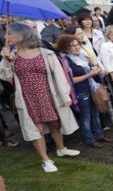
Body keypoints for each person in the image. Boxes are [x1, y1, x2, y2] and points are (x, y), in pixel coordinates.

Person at [0, 23, 80, 172]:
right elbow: (5, 76)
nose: (6, 37)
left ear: (21, 35)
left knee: (55, 123)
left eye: (9, 33)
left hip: (49, 94)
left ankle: (61, 149)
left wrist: (65, 95)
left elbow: (59, 75)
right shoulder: (12, 55)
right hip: (27, 97)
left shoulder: (44, 53)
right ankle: (46, 160)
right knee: (37, 128)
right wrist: (5, 60)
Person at [57, 35, 110, 148]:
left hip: (92, 89)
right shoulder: (65, 61)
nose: (76, 47)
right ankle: (89, 139)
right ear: (66, 48)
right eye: (72, 46)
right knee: (86, 116)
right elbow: (71, 80)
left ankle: (99, 135)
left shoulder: (84, 56)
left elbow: (93, 67)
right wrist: (89, 74)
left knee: (95, 113)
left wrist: (96, 69)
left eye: (77, 44)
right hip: (80, 92)